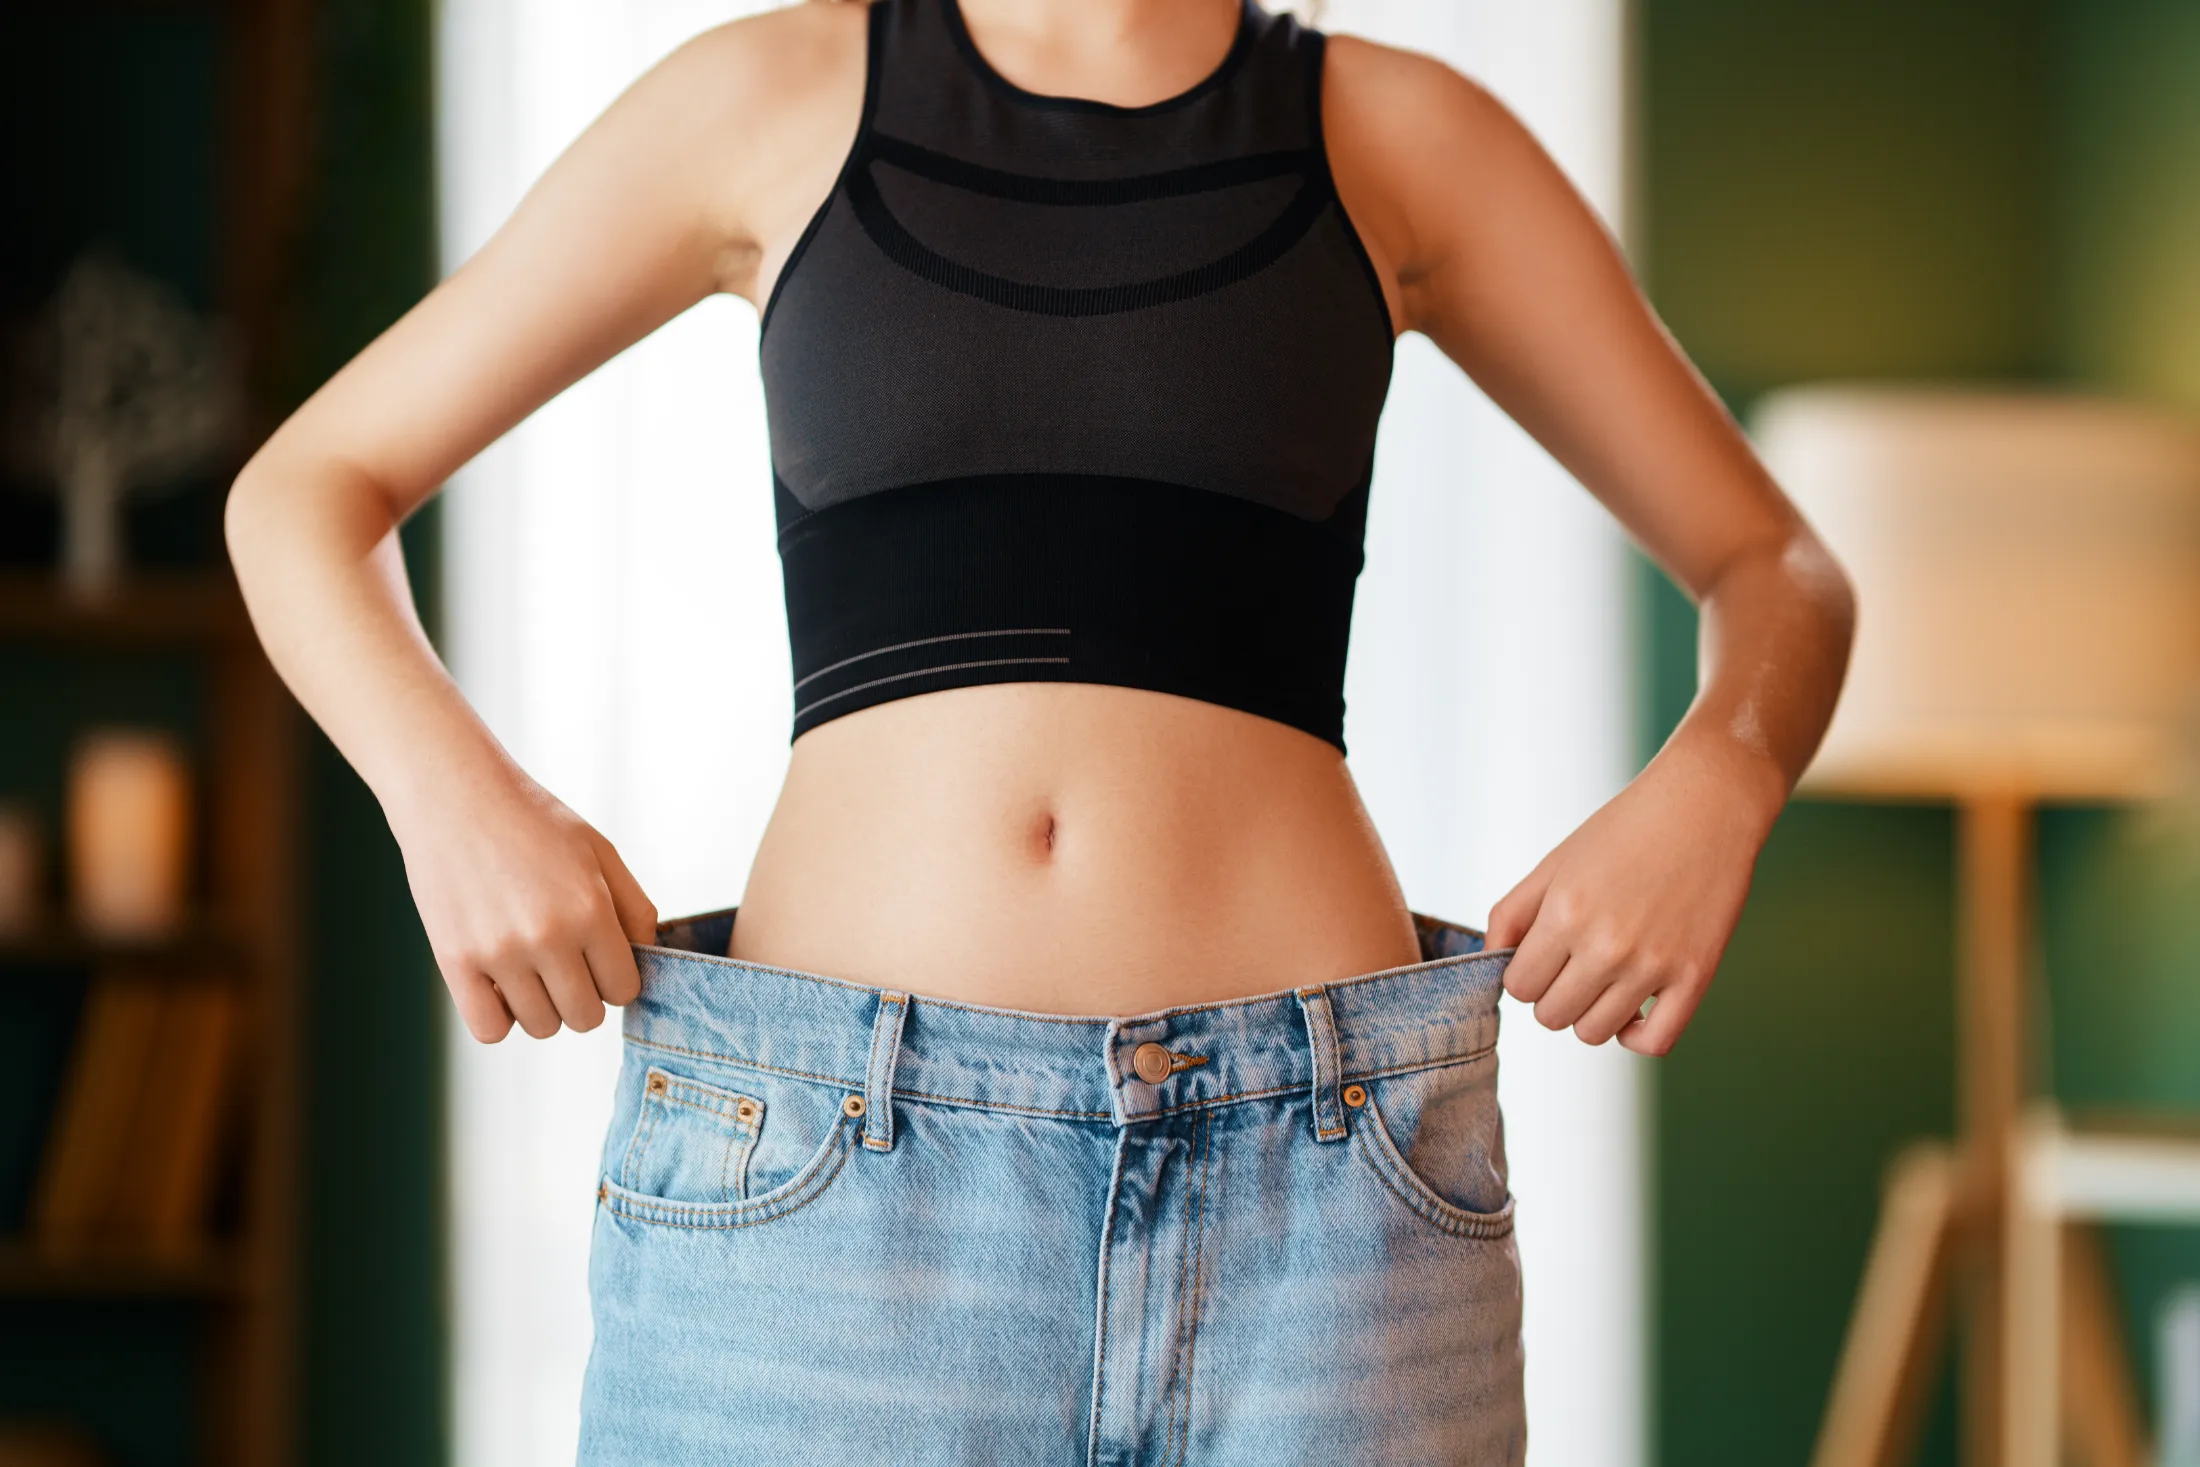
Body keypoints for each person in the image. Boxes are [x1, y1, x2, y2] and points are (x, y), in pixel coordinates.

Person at [225, 0, 1854, 1461]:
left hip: (1324, 1227)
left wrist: (1722, 772)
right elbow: (307, 491)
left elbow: (1778, 569)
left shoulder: (1403, 136)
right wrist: (453, 791)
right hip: (830, 1220)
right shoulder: (766, 97)